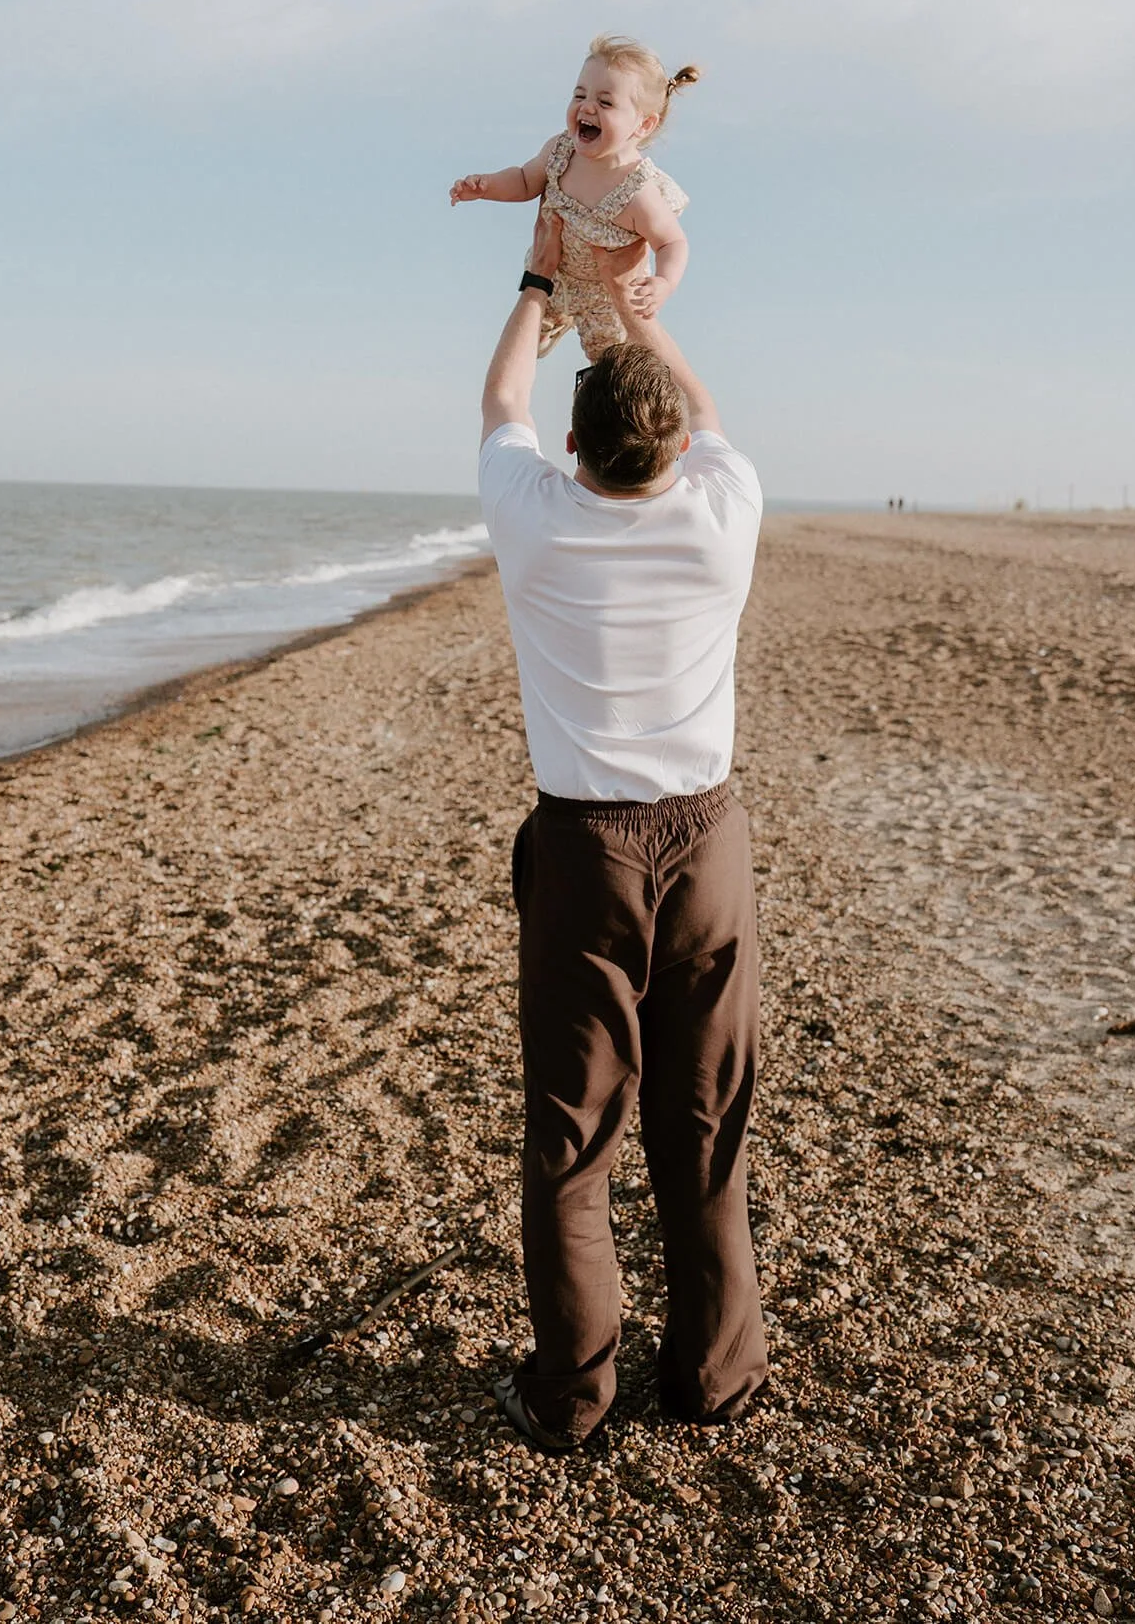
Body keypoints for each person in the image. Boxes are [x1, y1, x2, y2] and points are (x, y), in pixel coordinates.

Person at [477, 205, 767, 1451]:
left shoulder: (535, 523)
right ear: (668, 450)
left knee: (574, 1139)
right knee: (704, 1131)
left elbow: (500, 405)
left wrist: (544, 282)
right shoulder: (721, 515)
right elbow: (712, 424)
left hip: (587, 848)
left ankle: (573, 1396)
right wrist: (650, 321)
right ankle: (712, 1380)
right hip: (706, 847)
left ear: (580, 448)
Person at [450, 34, 698, 362]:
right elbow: (525, 181)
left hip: (604, 295)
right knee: (524, 336)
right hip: (556, 272)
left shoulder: (637, 192)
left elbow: (672, 243)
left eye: (606, 102)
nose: (587, 106)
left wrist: (664, 282)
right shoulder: (561, 151)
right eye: (579, 95)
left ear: (643, 124)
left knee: (610, 360)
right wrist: (487, 187)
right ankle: (550, 324)